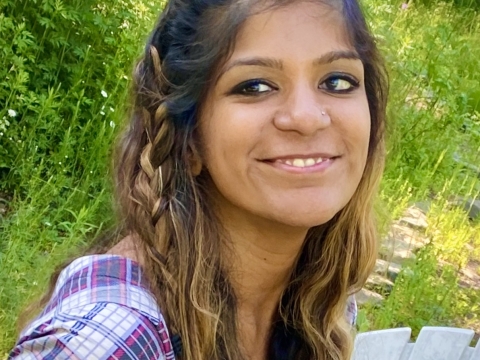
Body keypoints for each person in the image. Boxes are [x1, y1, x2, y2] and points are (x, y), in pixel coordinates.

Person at [9, 0, 387, 359]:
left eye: (337, 81)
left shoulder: (322, 301)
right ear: (187, 138)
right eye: (254, 86)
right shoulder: (114, 338)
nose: (307, 117)